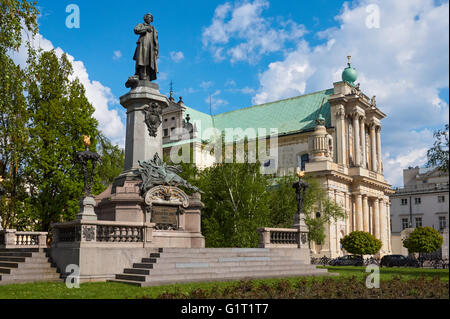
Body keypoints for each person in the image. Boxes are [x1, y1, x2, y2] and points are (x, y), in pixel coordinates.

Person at [133, 13, 159, 81]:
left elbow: (156, 40)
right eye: (148, 17)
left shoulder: (153, 28)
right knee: (142, 60)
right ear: (145, 18)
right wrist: (146, 28)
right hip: (143, 44)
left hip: (151, 47)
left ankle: (148, 76)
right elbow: (136, 30)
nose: (149, 19)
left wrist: (156, 50)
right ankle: (141, 75)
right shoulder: (141, 25)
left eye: (150, 18)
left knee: (150, 62)